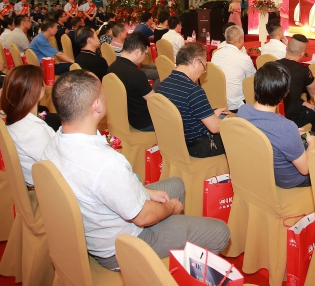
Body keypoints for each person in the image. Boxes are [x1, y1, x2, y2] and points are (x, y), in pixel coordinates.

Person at [41, 70, 230, 269]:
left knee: (176, 184)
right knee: (220, 232)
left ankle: (175, 255)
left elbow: (106, 188)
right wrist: (171, 208)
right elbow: (143, 217)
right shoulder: (107, 163)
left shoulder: (52, 145)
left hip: (94, 228)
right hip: (122, 245)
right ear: (96, 105)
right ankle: (164, 270)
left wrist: (146, 192)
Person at [239, 62, 315, 189]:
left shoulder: (243, 111)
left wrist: (292, 136)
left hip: (264, 171)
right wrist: (312, 143)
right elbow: (306, 169)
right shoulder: (286, 128)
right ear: (284, 95)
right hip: (291, 180)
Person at [157, 44, 229, 158]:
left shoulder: (163, 85)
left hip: (176, 142)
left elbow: (183, 113)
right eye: (204, 67)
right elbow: (215, 128)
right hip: (197, 147)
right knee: (241, 139)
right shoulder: (194, 90)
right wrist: (233, 124)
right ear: (195, 62)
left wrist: (211, 114)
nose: (202, 73)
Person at [1, 65, 58, 186]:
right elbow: (56, 166)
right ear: (37, 90)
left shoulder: (14, 116)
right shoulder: (34, 132)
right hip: (45, 185)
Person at [108, 33, 155, 131]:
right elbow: (155, 101)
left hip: (125, 118)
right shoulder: (135, 74)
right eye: (145, 54)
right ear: (137, 52)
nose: (145, 57)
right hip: (143, 122)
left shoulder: (111, 68)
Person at [277, 34, 315, 132]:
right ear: (302, 54)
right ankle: (312, 139)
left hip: (274, 112)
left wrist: (303, 103)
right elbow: (314, 94)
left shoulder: (273, 65)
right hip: (292, 117)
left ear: (286, 47)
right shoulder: (304, 71)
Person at [211, 25, 256, 113]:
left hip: (217, 102)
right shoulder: (243, 58)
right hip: (235, 105)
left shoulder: (216, 54)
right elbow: (253, 79)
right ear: (240, 39)